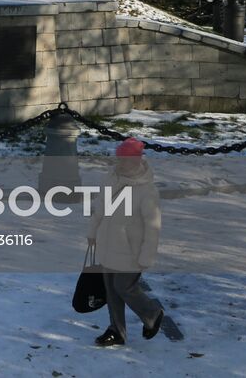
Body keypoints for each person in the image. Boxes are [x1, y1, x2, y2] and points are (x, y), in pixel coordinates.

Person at [86, 137, 164, 347]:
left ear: (137, 161)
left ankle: (152, 313)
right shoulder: (110, 179)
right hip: (107, 243)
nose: (120, 163)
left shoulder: (147, 190)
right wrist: (92, 232)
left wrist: (147, 255)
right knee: (111, 290)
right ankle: (116, 331)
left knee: (124, 287)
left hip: (131, 250)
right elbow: (99, 208)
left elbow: (153, 226)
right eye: (119, 159)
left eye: (126, 160)